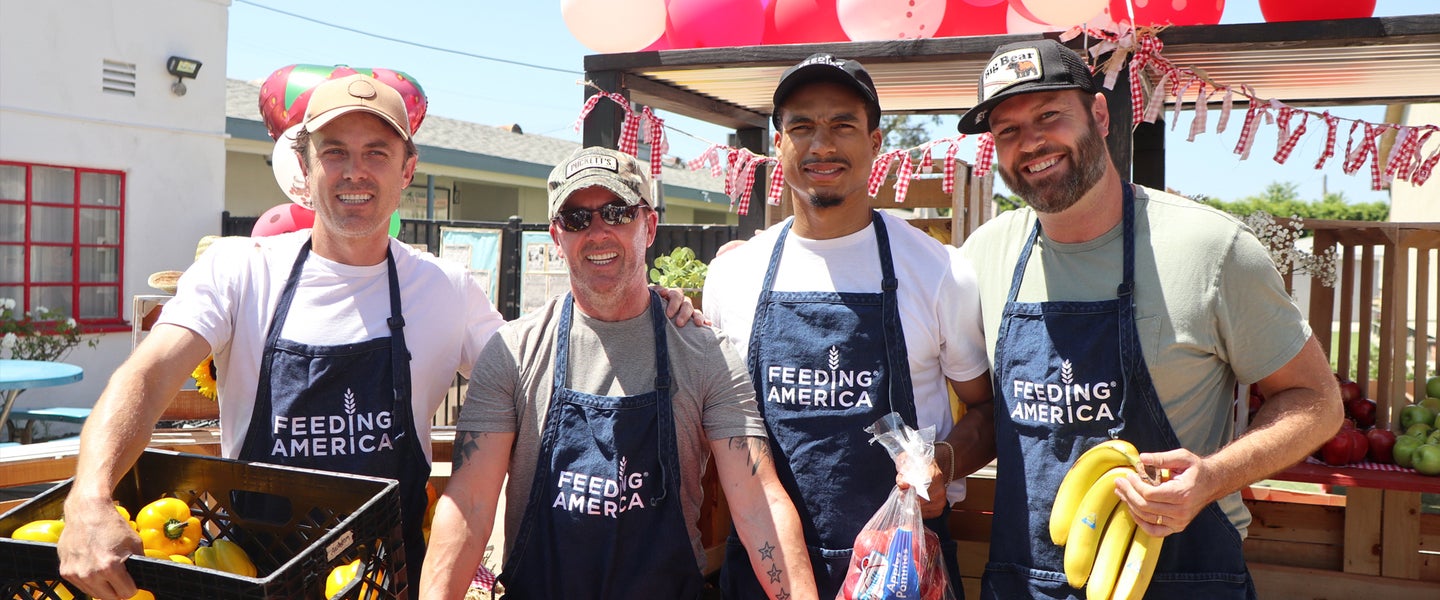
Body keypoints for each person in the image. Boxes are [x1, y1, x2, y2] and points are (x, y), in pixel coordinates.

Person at [55, 75, 697, 599]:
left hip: (387, 581)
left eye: (376, 153)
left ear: (407, 170)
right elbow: (147, 377)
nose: (354, 172)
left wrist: (644, 305)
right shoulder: (241, 271)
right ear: (305, 167)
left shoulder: (444, 287)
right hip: (250, 572)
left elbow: (543, 372)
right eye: (334, 151)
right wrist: (90, 497)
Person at [954, 39, 1343, 598]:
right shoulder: (983, 255)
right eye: (1007, 130)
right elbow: (987, 411)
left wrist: (1212, 477)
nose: (1030, 142)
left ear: (1099, 114)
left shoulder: (1212, 248)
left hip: (1179, 576)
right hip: (1026, 579)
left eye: (1048, 115)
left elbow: (1317, 401)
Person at [419, 146, 817, 600]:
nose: (598, 231)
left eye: (616, 212)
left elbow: (758, 503)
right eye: (576, 219)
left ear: (648, 226)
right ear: (556, 236)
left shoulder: (706, 353)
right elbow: (469, 503)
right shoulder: (513, 352)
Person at [703, 53, 996, 599]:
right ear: (778, 144)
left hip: (902, 572)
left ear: (877, 142)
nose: (822, 145)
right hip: (766, 571)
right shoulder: (733, 277)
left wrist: (943, 464)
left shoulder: (938, 271)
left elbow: (986, 409)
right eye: (802, 127)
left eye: (843, 125)